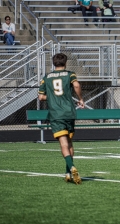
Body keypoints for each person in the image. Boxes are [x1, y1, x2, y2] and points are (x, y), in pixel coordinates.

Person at [38, 53, 85, 185]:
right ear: (65, 63)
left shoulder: (46, 77)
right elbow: (76, 85)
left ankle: (71, 167)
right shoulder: (70, 74)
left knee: (63, 144)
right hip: (69, 113)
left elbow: (41, 97)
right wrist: (81, 99)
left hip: (56, 114)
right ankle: (68, 173)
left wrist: (52, 97)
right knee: (70, 143)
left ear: (53, 63)